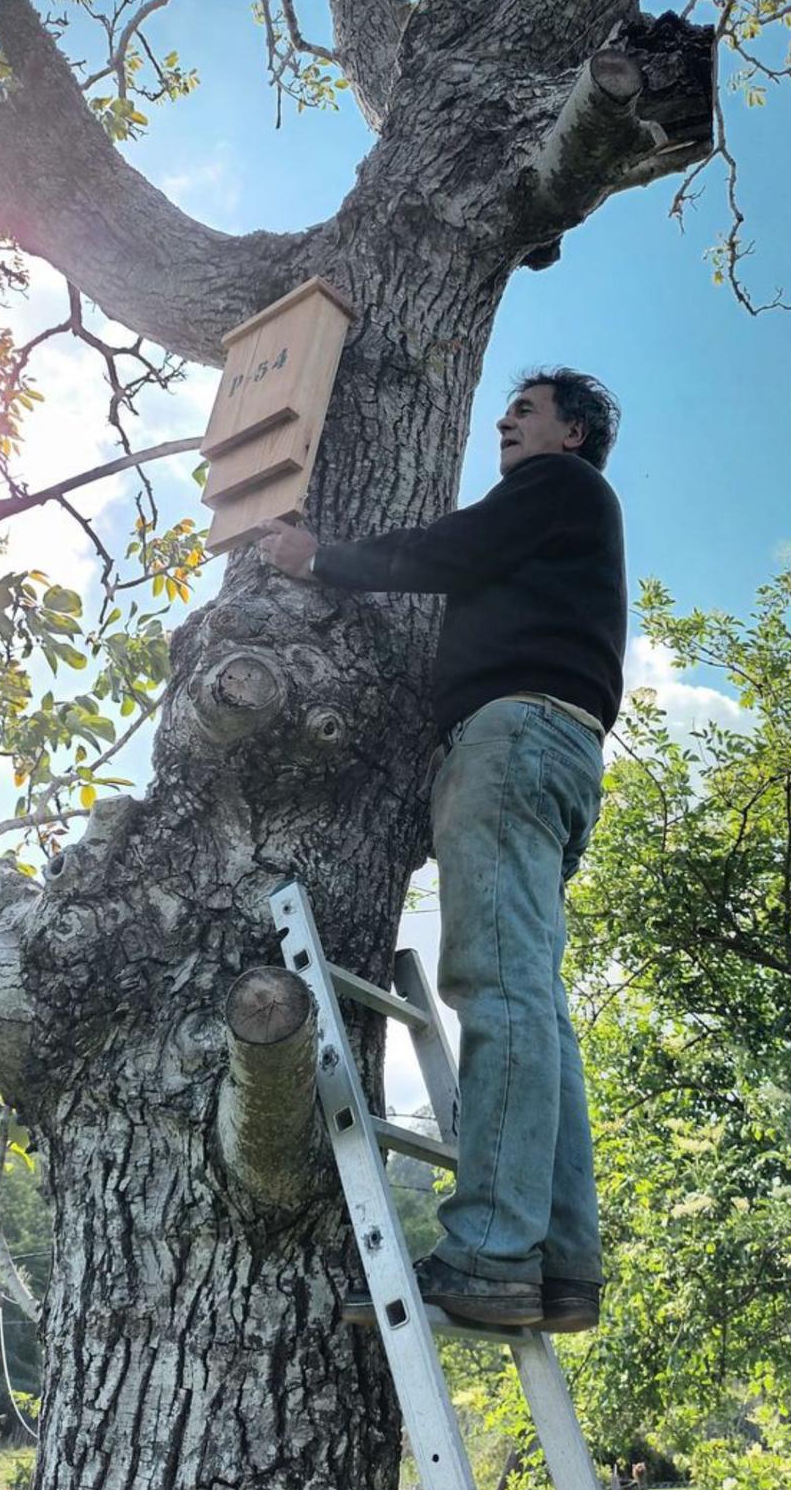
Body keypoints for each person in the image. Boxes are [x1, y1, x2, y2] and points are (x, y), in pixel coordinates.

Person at [257, 369, 627, 1332]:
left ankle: (493, 1254)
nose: (504, 421)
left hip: (513, 740)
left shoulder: (555, 489)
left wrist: (320, 559)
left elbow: (453, 549)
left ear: (574, 435)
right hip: (555, 747)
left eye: (527, 411)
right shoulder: (564, 516)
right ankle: (563, 1264)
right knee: (534, 999)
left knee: (498, 989)